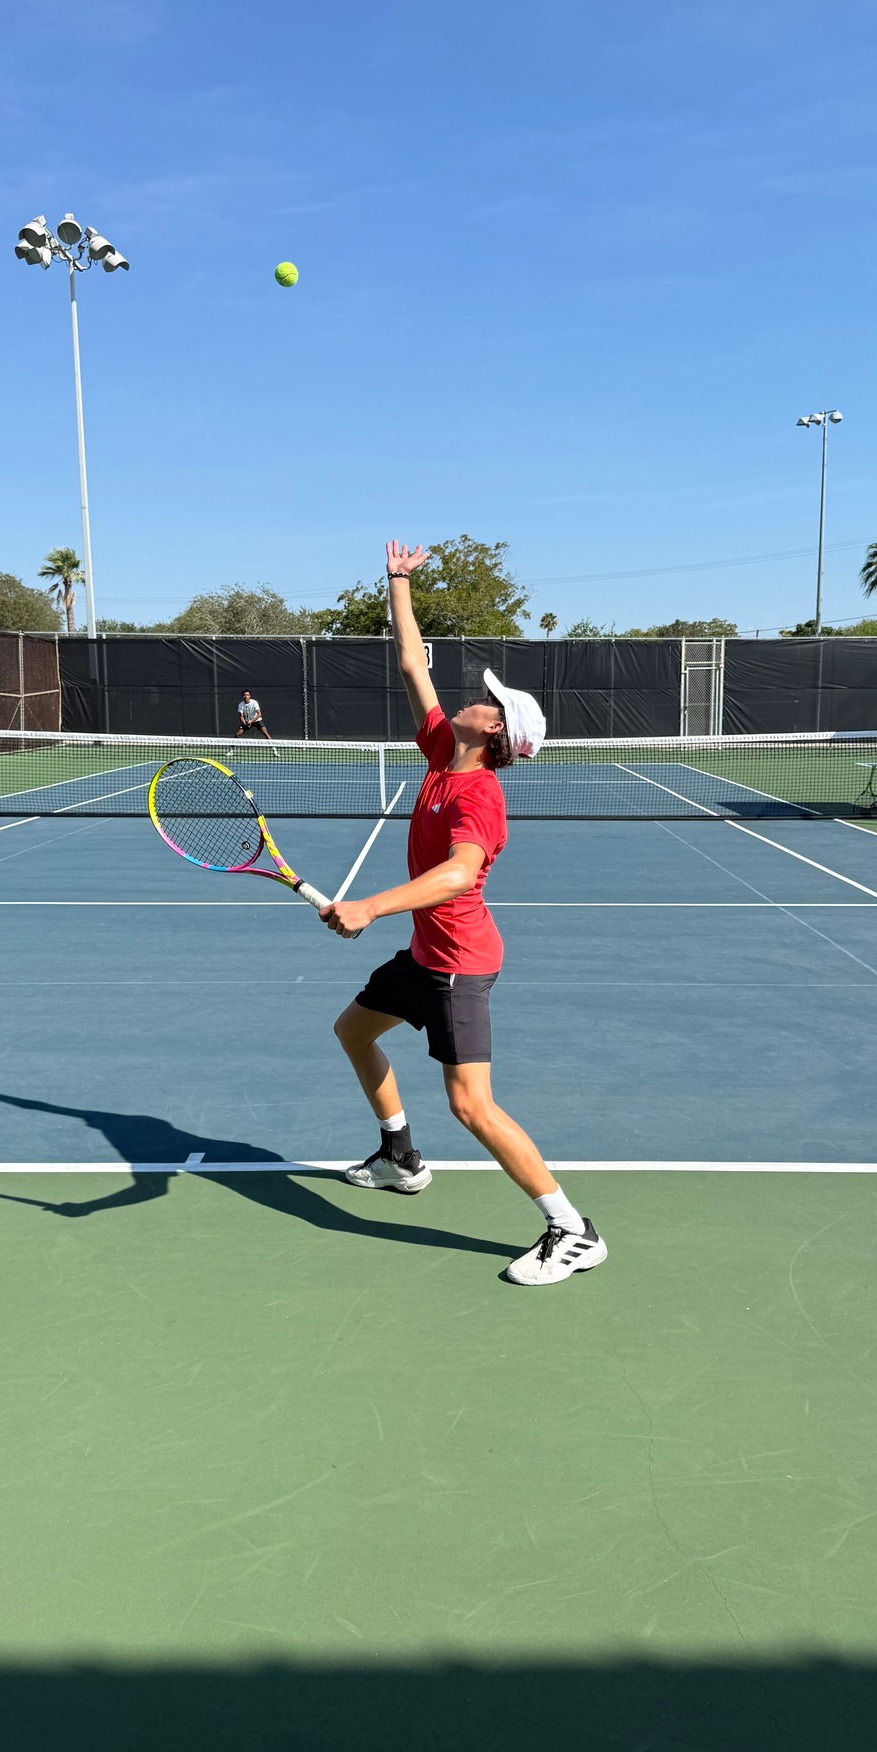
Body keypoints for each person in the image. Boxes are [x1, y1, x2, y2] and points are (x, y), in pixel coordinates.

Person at [319, 540, 607, 1288]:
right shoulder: (445, 747)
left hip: (457, 965)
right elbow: (413, 665)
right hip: (424, 955)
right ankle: (399, 1157)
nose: (472, 698)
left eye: (486, 701)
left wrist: (371, 907)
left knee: (471, 1105)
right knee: (354, 1031)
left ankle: (572, 1230)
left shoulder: (479, 794)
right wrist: (399, 583)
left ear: (495, 731)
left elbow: (458, 872)